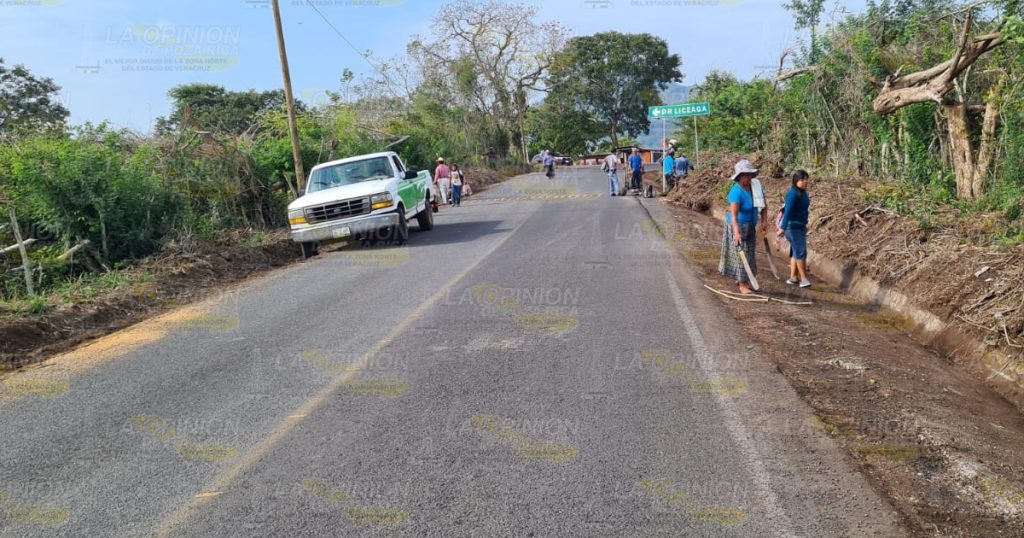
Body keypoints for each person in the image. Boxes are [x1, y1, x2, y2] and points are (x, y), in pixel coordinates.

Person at [719, 159, 760, 295]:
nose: (748, 177)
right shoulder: (735, 193)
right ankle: (743, 285)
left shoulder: (755, 187)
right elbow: (734, 216)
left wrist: (764, 221)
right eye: (745, 175)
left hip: (751, 226)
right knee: (742, 255)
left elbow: (763, 204)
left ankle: (744, 280)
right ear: (739, 177)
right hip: (738, 226)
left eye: (749, 174)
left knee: (750, 255)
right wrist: (736, 233)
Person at [778, 170, 812, 287]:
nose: (805, 182)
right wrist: (782, 228)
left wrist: (804, 225)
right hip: (792, 228)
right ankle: (803, 279)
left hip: (799, 227)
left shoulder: (803, 193)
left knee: (796, 252)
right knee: (801, 252)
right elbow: (788, 211)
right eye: (803, 179)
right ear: (796, 180)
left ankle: (793, 278)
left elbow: (803, 211)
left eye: (806, 179)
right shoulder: (792, 193)